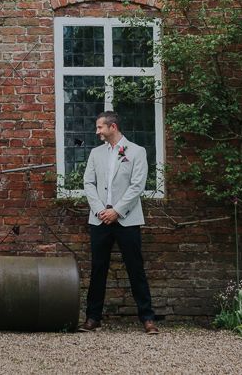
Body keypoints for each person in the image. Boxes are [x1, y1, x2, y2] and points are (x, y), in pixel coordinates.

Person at [79, 111, 159, 334]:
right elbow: (88, 182)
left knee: (136, 269)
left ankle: (147, 318)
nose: (97, 132)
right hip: (99, 220)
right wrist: (99, 210)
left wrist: (117, 211)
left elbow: (137, 186)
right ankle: (93, 318)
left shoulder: (136, 151)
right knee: (98, 269)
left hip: (127, 220)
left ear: (112, 127)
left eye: (99, 128)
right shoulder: (95, 154)